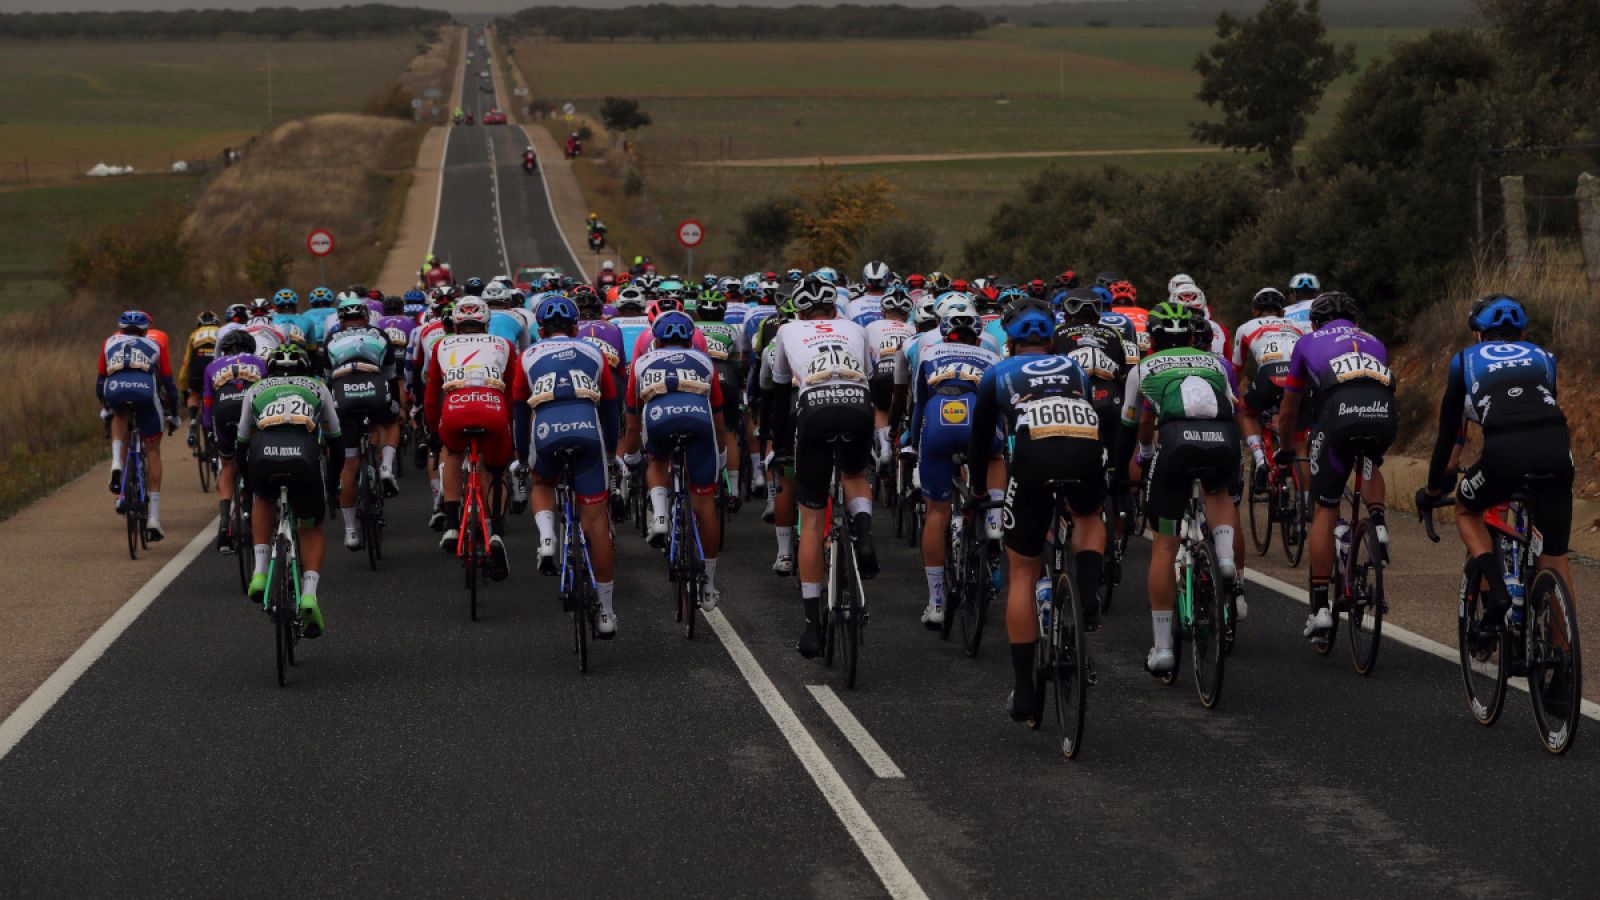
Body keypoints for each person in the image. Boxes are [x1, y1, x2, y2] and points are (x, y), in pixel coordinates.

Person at [970, 301, 1106, 722]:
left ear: (1009, 342)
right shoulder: (1074, 368)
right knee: (1087, 517)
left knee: (1023, 572)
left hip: (1031, 457)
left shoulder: (997, 372)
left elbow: (981, 443)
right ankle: (1085, 596)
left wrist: (978, 489)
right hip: (1084, 444)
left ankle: (1025, 690)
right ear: (1051, 340)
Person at [1419, 294, 1574, 631]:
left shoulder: (1465, 360)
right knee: (1555, 555)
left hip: (1505, 452)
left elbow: (1449, 436)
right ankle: (1562, 661)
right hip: (1557, 450)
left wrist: (1433, 488)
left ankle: (1498, 594)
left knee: (1465, 508)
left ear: (1479, 334)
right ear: (1522, 333)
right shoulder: (1545, 357)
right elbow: (1544, 407)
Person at [1118, 302, 1243, 674]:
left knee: (1164, 545)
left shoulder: (1142, 369)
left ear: (1152, 340)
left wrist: (1132, 460)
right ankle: (1223, 557)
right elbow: (1232, 408)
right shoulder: (1215, 364)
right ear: (1192, 336)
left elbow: (1132, 425)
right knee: (1218, 492)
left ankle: (1163, 649)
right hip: (1223, 439)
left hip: (1174, 444)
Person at [765, 278, 878, 658]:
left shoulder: (786, 330)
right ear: (834, 308)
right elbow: (869, 376)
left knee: (811, 519)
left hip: (812, 407)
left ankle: (814, 626)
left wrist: (778, 445)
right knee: (854, 475)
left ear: (799, 311)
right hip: (857, 401)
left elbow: (780, 393)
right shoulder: (857, 328)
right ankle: (863, 533)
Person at [1274, 292, 1396, 645]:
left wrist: (1285, 449)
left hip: (1338, 417)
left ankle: (1319, 608)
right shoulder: (1375, 341)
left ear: (1314, 322)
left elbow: (1289, 409)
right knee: (1369, 461)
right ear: (1355, 321)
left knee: (1325, 508)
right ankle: (1379, 525)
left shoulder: (1307, 341)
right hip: (1383, 413)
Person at [513, 295, 621, 635]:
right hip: (588, 430)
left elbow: (518, 412)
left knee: (543, 483)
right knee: (596, 524)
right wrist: (609, 453)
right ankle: (605, 612)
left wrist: (520, 455)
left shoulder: (527, 356)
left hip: (546, 432)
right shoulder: (594, 352)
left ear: (540, 330)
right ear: (576, 328)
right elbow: (611, 409)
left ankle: (547, 539)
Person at [619, 310, 729, 609]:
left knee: (656, 460)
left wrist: (629, 457)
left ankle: (661, 517)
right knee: (705, 503)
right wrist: (720, 454)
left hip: (659, 422)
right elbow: (719, 418)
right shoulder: (705, 361)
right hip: (699, 423)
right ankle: (708, 586)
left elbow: (631, 421)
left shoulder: (642, 362)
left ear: (656, 338)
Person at [236, 343, 341, 639]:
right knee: (310, 529)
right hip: (304, 457)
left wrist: (248, 485)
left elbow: (241, 444)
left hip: (263, 456)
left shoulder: (255, 389)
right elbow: (335, 441)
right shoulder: (318, 387)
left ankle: (259, 572)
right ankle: (309, 594)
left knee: (262, 498)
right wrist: (331, 486)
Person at [906, 307, 1002, 628]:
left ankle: (936, 603)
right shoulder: (990, 355)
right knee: (994, 457)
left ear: (944, 333)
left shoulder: (929, 352)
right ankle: (994, 519)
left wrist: (913, 443)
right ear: (978, 336)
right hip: (975, 420)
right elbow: (999, 410)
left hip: (936, 419)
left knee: (936, 512)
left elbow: (918, 405)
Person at [425, 297, 515, 580]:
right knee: (494, 469)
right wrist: (509, 426)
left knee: (451, 452)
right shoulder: (503, 344)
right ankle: (497, 532)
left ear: (455, 324)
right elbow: (512, 391)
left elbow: (430, 397)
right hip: (492, 407)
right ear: (486, 324)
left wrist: (431, 430)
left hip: (455, 408)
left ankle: (452, 525)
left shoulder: (441, 344)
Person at [325, 297, 404, 550]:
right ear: (367, 319)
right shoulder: (380, 335)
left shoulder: (331, 339)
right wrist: (397, 407)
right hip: (374, 388)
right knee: (390, 421)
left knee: (349, 465)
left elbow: (326, 383)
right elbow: (392, 376)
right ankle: (387, 467)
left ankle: (350, 531)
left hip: (342, 395)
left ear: (341, 321)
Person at [99, 310, 178, 540]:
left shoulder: (108, 343)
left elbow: (100, 380)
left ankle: (116, 463)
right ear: (146, 330)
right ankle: (153, 517)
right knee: (153, 449)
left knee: (118, 415)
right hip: (144, 393)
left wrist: (105, 406)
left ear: (120, 329)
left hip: (114, 391)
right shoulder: (155, 345)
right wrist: (173, 414)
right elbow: (168, 383)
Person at [1231, 287, 1303, 487]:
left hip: (1269, 375)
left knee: (1246, 412)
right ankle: (1305, 494)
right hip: (1299, 377)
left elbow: (1236, 369)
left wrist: (1231, 393)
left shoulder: (1246, 327)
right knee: (1300, 428)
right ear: (1282, 312)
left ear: (1255, 311)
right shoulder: (1296, 325)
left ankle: (1260, 459)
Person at [202, 330, 267, 551]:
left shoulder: (212, 366)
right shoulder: (260, 362)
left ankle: (223, 521)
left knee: (228, 465)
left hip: (224, 411)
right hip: (251, 408)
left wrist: (210, 430)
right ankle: (261, 499)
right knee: (260, 455)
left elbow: (208, 403)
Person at [693, 287, 747, 503]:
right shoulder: (732, 329)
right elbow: (738, 363)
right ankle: (733, 490)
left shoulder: (691, 328)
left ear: (698, 311)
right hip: (725, 376)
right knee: (729, 431)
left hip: (696, 376)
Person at [865, 286, 915, 468]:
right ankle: (910, 443)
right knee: (910, 410)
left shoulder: (870, 327)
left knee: (881, 408)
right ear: (907, 313)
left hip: (882, 371)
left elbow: (866, 360)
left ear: (883, 311)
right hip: (906, 375)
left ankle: (885, 446)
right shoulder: (912, 328)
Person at [179, 310, 220, 429]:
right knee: (219, 392)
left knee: (194, 394)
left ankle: (192, 419)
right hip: (215, 365)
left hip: (198, 365)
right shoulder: (221, 332)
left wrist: (184, 391)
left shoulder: (194, 334)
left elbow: (186, 362)